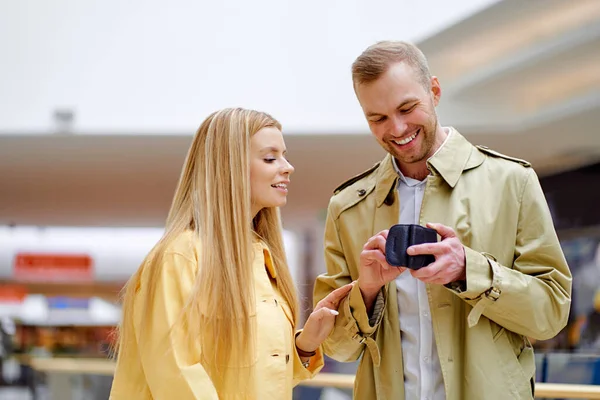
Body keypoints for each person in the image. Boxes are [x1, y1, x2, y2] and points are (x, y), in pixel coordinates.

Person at [313, 41, 572, 399]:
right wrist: (367, 292)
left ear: (434, 91)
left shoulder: (512, 182)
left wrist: (469, 270)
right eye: (378, 118)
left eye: (407, 107)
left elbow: (551, 314)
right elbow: (337, 348)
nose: (397, 127)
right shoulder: (346, 207)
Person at [110, 108, 353, 399]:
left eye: (284, 155)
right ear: (230, 167)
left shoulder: (262, 260)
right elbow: (178, 378)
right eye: (270, 157)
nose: (288, 167)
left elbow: (252, 378)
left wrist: (305, 345)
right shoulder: (180, 256)